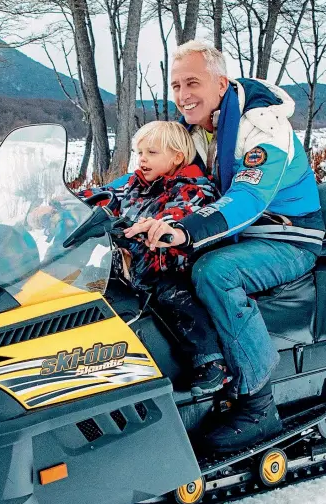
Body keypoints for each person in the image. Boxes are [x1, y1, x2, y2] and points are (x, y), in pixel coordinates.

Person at [126, 41, 324, 451]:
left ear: (221, 83)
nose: (183, 95)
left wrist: (185, 229)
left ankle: (258, 403)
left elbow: (249, 197)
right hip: (240, 234)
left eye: (193, 83)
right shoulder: (204, 127)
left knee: (214, 272)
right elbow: (162, 173)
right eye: (177, 85)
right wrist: (80, 204)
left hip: (286, 236)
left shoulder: (263, 129)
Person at [80, 120, 228, 396]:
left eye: (151, 153)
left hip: (172, 267)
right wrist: (67, 204)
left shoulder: (192, 187)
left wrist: (157, 227)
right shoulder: (136, 185)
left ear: (177, 157)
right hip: (132, 267)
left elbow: (180, 214)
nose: (143, 159)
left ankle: (210, 361)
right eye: (139, 153)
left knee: (172, 296)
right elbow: (106, 197)